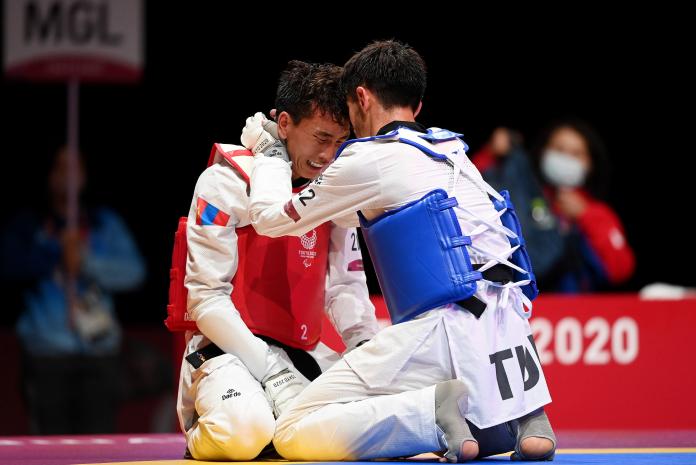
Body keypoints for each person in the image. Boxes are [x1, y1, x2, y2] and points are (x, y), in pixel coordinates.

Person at [245, 41, 556, 462]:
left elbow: (268, 218)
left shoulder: (366, 159)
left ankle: (431, 415)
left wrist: (268, 153)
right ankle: (515, 420)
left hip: (442, 330)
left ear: (361, 97)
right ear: (418, 103)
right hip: (511, 335)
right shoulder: (454, 151)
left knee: (293, 431)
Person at [171, 60, 378, 461]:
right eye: (320, 137)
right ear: (284, 123)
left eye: (339, 141)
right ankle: (202, 430)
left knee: (370, 421)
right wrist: (269, 369)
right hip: (226, 352)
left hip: (304, 355)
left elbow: (345, 287)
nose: (328, 155)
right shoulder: (225, 181)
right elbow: (205, 299)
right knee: (243, 433)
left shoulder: (332, 188)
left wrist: (364, 350)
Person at [1, 147, 145, 434]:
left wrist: (85, 261)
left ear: (85, 175)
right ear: (49, 175)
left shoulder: (103, 223)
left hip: (99, 351)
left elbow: (134, 273)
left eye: (74, 168)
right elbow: (8, 266)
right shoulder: (28, 224)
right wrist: (55, 252)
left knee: (99, 444)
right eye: (60, 168)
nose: (68, 176)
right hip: (48, 353)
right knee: (49, 446)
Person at [534, 119, 635, 292]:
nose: (566, 158)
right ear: (543, 152)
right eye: (559, 149)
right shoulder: (526, 200)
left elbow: (621, 269)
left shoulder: (598, 213)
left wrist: (586, 216)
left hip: (583, 311)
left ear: (589, 163)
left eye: (576, 153)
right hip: (533, 309)